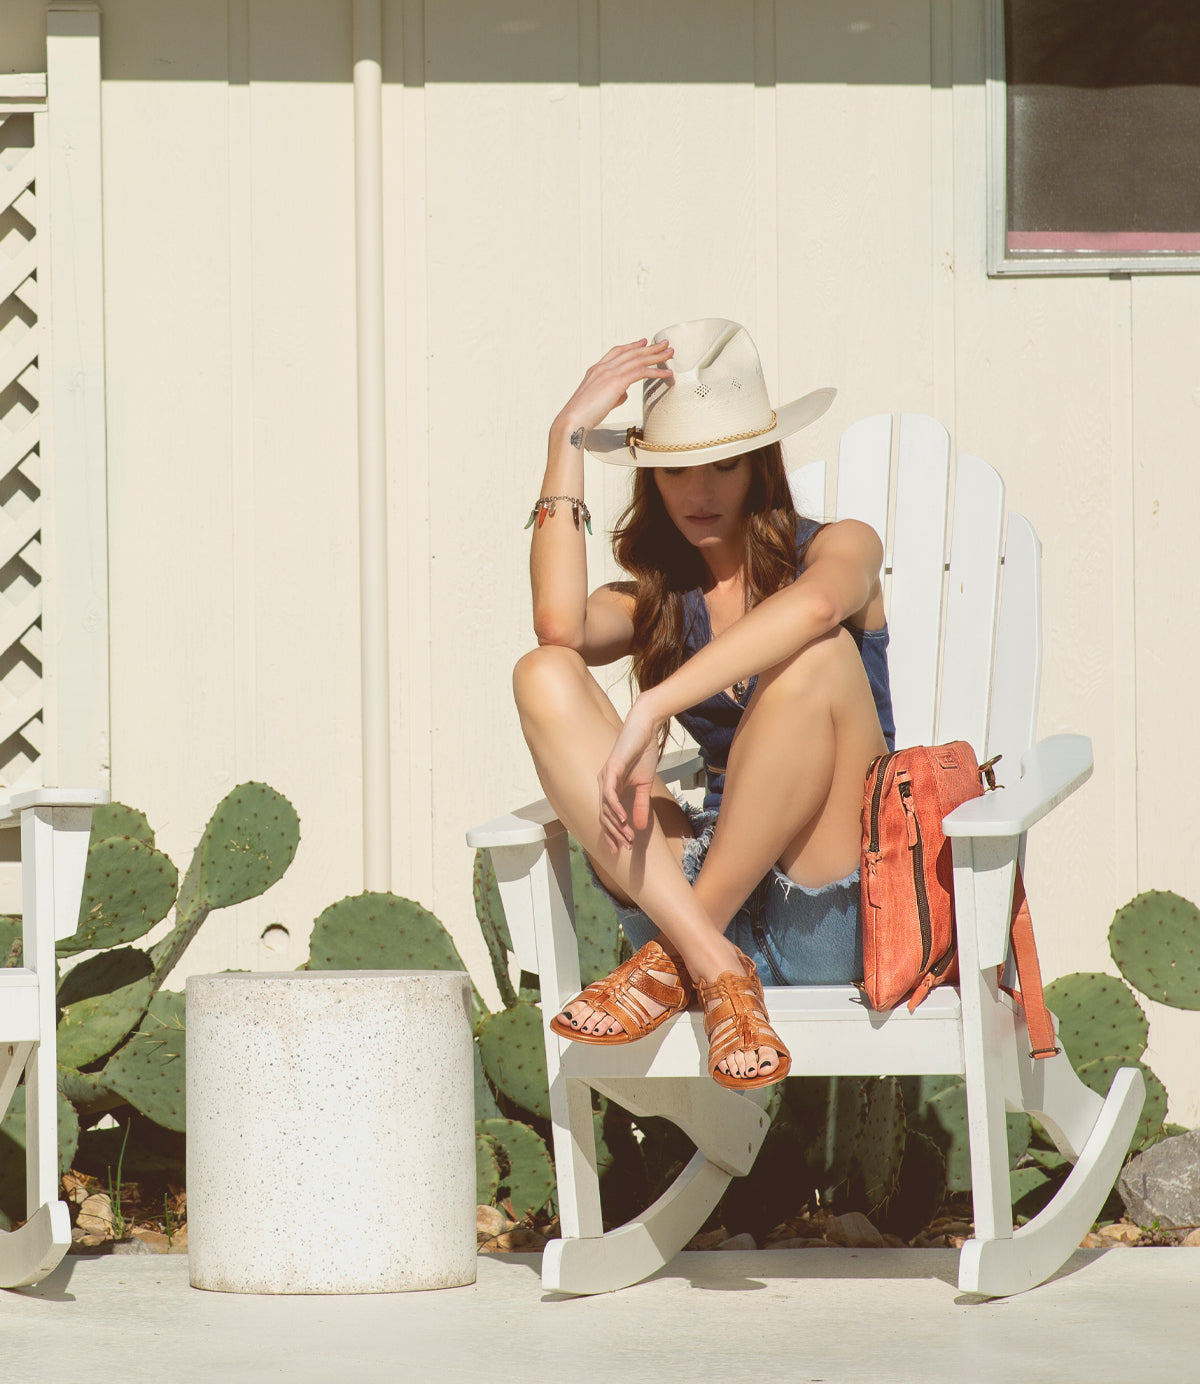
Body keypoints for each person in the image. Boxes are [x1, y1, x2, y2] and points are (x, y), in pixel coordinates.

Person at [513, 319, 894, 1092]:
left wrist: (653, 705)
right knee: (541, 673)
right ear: (650, 478)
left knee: (816, 654)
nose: (700, 491)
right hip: (693, 901)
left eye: (722, 466)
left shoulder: (839, 548)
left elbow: (820, 608)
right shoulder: (659, 600)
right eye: (677, 470)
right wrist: (566, 438)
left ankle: (680, 959)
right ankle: (711, 962)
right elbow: (558, 628)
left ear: (759, 466)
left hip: (818, 911)